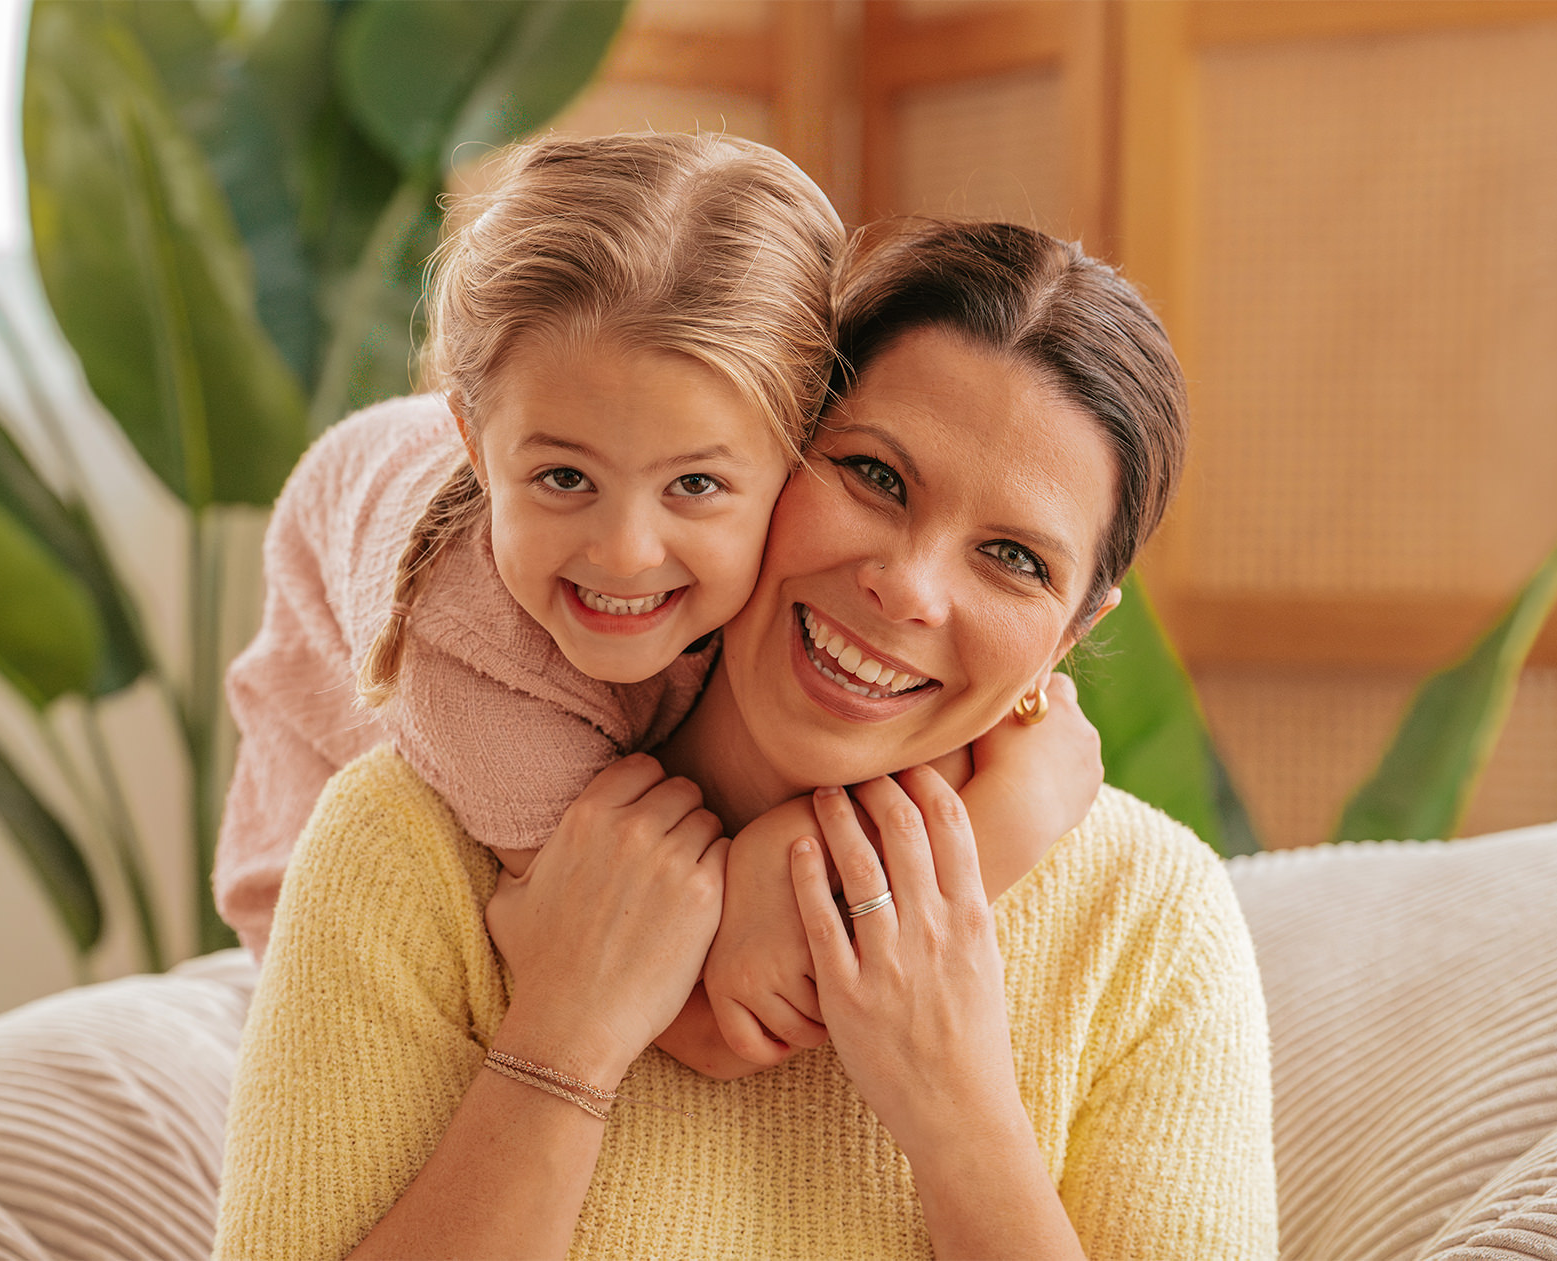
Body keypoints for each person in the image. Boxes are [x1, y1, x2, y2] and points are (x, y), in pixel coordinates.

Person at [214, 218, 1277, 1259]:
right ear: (764, 450)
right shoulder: (409, 844)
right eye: (875, 476)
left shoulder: (1149, 924)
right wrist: (561, 1043)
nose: (907, 588)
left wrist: (960, 1119)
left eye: (1013, 556)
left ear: (1076, 631)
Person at [212, 133, 1096, 1072]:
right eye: (562, 477)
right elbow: (698, 1015)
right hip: (305, 846)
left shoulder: (776, 546)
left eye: (696, 486)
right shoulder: (469, 657)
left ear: (796, 445)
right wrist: (1012, 816)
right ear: (474, 443)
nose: (626, 554)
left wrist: (785, 844)